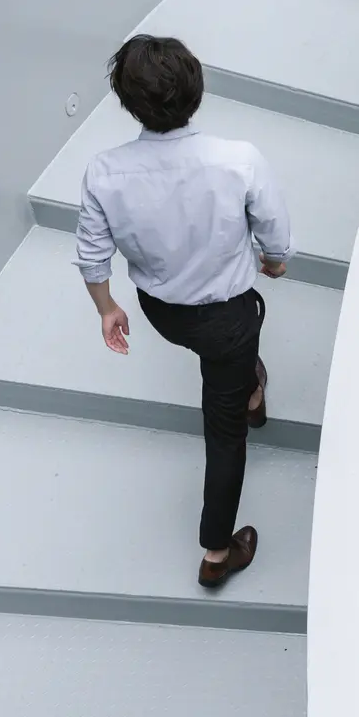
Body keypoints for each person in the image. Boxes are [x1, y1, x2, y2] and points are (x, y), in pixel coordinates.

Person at [73, 34, 294, 588]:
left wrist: (106, 310)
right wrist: (275, 261)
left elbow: (92, 257)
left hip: (162, 311)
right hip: (229, 314)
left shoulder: (104, 171)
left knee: (232, 356)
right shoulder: (238, 159)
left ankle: (251, 386)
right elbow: (275, 232)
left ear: (127, 103)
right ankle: (217, 555)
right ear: (197, 88)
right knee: (225, 434)